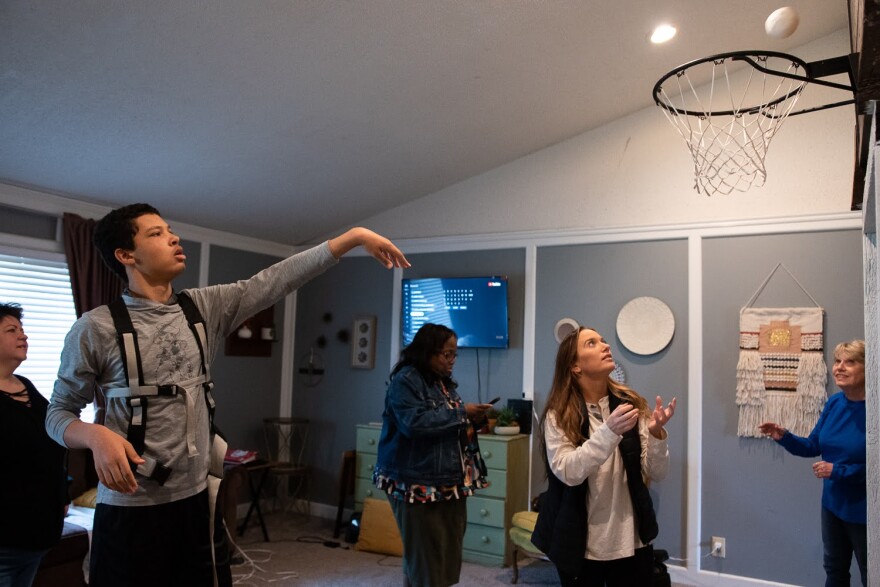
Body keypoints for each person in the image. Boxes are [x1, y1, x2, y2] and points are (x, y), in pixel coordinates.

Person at [46, 203, 410, 587]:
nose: (173, 237)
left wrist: (351, 238)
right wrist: (95, 435)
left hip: (197, 499)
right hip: (130, 508)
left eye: (170, 230)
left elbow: (274, 280)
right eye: (155, 234)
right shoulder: (94, 328)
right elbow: (57, 413)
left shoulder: (203, 308)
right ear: (126, 255)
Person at [531, 326, 676, 587]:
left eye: (604, 341)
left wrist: (656, 435)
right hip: (579, 541)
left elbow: (658, 473)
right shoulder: (558, 414)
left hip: (631, 540)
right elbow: (568, 472)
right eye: (592, 343)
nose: (605, 346)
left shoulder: (630, 404)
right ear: (575, 366)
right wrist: (608, 432)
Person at [373, 323, 492, 587]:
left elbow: (446, 423)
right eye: (446, 354)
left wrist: (473, 419)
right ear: (427, 351)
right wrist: (463, 413)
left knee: (445, 553)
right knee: (426, 558)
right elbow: (414, 424)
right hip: (415, 481)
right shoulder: (405, 381)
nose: (452, 360)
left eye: (454, 354)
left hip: (448, 480)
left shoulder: (441, 383)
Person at [759, 339, 866, 587]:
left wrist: (837, 471)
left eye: (850, 362)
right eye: (838, 361)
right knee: (834, 570)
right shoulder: (835, 403)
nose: (839, 367)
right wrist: (783, 436)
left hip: (865, 511)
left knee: (871, 573)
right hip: (832, 505)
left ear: (869, 368)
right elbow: (813, 445)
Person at [0, 303, 68, 587]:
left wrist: (62, 492)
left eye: (23, 329)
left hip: (37, 537)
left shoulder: (26, 385)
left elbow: (50, 448)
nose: (23, 336)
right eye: (12, 330)